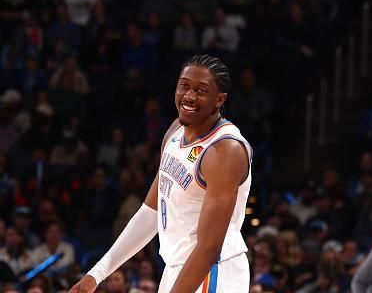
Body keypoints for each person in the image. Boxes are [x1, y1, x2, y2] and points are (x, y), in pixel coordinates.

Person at [68, 54, 252, 292]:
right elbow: (151, 212)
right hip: (177, 268)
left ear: (219, 100)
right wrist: (97, 274)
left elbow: (209, 248)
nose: (189, 96)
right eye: (184, 86)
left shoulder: (225, 150)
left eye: (201, 90)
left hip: (213, 271)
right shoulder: (176, 131)